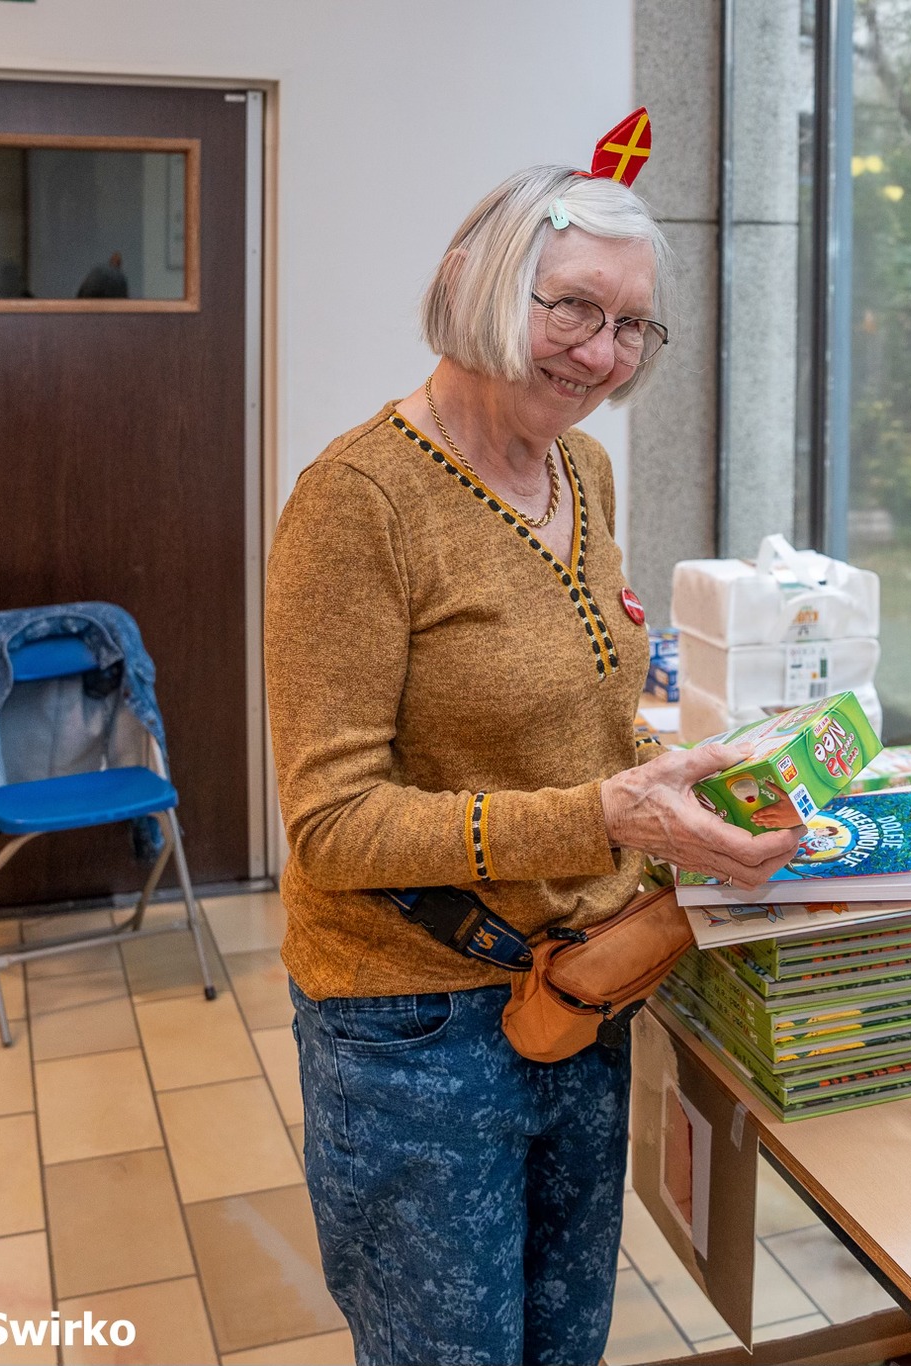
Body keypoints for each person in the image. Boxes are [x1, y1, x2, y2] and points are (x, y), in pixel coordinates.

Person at [263, 134, 803, 1366]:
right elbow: (331, 825)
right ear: (477, 282)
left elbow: (581, 710)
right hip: (412, 1027)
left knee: (567, 1342)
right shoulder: (358, 501)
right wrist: (604, 815)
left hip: (580, 991)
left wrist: (695, 782)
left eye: (631, 326)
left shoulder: (581, 469)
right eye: (571, 307)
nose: (600, 353)